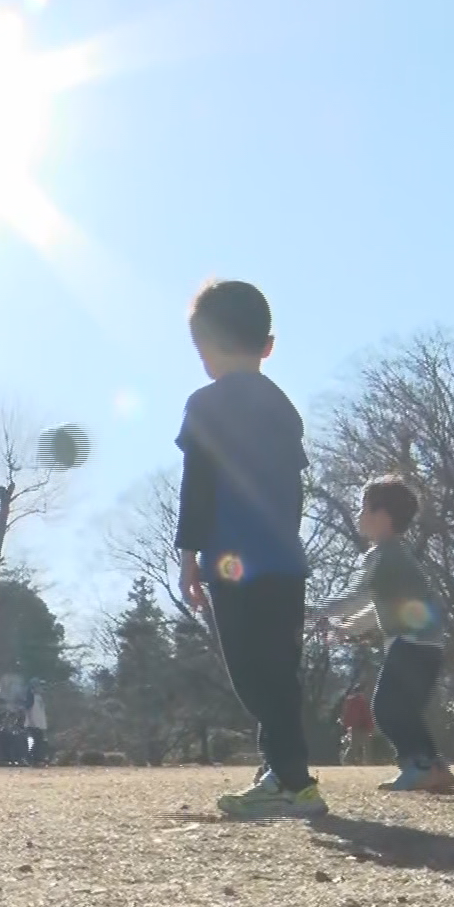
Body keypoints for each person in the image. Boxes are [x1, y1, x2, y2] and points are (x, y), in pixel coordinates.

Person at [173, 280, 326, 819]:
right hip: (284, 559)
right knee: (280, 669)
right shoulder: (283, 408)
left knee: (250, 673)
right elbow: (293, 487)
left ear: (207, 347)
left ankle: (292, 781)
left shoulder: (205, 404)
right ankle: (281, 772)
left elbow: (198, 484)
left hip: (232, 560)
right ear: (268, 345)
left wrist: (189, 553)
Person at [316, 476, 454, 792]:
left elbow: (355, 594)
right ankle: (433, 766)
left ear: (381, 516)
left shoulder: (382, 555)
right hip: (427, 648)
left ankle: (420, 765)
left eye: (363, 508)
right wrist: (349, 627)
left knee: (385, 708)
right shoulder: (397, 557)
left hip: (410, 645)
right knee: (403, 709)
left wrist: (310, 610)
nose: (358, 516)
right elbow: (376, 606)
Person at [338, 681, 376, 766]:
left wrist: (346, 724)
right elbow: (366, 714)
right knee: (365, 745)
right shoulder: (361, 700)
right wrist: (370, 726)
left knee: (354, 745)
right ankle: (366, 762)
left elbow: (348, 714)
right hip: (362, 725)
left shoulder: (350, 701)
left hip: (354, 725)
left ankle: (348, 760)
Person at [25, 684, 49, 766]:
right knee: (36, 742)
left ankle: (37, 759)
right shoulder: (31, 698)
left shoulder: (40, 698)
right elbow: (28, 711)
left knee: (39, 742)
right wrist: (32, 723)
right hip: (33, 724)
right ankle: (32, 759)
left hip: (40, 724)